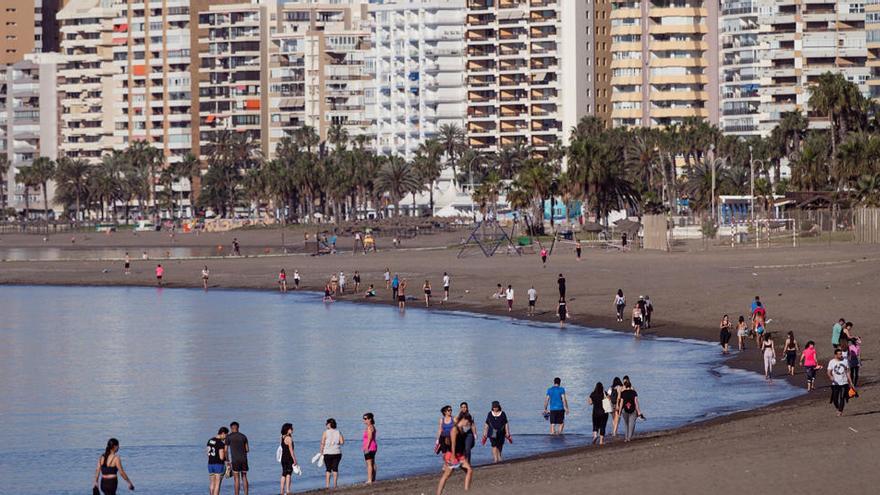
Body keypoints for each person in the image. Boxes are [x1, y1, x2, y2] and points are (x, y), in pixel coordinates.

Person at [436, 411, 474, 495]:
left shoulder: (462, 430)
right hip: (452, 455)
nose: (468, 424)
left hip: (460, 456)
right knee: (446, 476)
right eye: (468, 421)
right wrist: (453, 457)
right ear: (464, 419)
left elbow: (461, 445)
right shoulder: (454, 429)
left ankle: (467, 491)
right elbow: (453, 444)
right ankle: (438, 493)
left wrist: (464, 455)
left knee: (470, 470)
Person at [827, 348, 853, 416]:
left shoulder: (845, 361)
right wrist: (830, 377)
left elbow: (848, 372)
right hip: (835, 383)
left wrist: (850, 381)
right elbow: (828, 372)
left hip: (844, 383)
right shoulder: (831, 362)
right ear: (835, 355)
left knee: (842, 397)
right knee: (835, 399)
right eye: (839, 354)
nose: (841, 355)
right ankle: (839, 408)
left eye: (841, 354)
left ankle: (840, 411)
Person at [617, 378, 643, 442]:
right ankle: (629, 438)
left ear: (625, 386)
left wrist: (619, 412)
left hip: (625, 410)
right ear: (630, 386)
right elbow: (636, 402)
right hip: (633, 410)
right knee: (631, 424)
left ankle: (626, 438)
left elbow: (621, 403)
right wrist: (639, 412)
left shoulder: (623, 393)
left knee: (626, 424)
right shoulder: (634, 393)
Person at [320, 418, 344, 489]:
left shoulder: (325, 432)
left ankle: (327, 485)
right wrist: (336, 443)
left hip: (327, 453)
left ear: (329, 424)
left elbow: (322, 443)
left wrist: (321, 452)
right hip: (337, 452)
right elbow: (342, 442)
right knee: (335, 468)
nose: (326, 425)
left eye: (326, 423)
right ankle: (335, 485)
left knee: (328, 469)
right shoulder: (338, 432)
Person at [227, 422, 249, 495]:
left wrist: (227, 460)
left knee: (236, 479)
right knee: (244, 477)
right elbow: (247, 449)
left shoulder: (229, 437)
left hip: (235, 460)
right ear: (238, 428)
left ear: (231, 428)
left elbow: (225, 450)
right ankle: (246, 494)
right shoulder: (243, 436)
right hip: (244, 459)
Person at [207, 427, 229, 495]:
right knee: (217, 484)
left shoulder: (210, 440)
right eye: (226, 435)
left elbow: (207, 453)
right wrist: (227, 461)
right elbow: (221, 457)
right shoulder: (220, 443)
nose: (225, 437)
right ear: (222, 433)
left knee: (212, 483)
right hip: (218, 465)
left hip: (210, 464)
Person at [279, 423, 297, 495]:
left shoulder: (282, 437)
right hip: (289, 458)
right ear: (287, 429)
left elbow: (282, 447)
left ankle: (281, 491)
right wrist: (295, 459)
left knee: (283, 474)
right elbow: (291, 450)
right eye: (291, 429)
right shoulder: (289, 438)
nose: (292, 430)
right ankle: (288, 490)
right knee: (288, 474)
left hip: (283, 458)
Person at [362, 413, 378, 484]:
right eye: (364, 419)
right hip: (373, 447)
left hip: (369, 447)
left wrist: (366, 447)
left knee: (369, 464)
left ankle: (369, 479)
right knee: (372, 463)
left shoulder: (369, 427)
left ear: (370, 419)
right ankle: (373, 478)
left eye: (365, 419)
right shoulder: (372, 426)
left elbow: (370, 438)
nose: (364, 420)